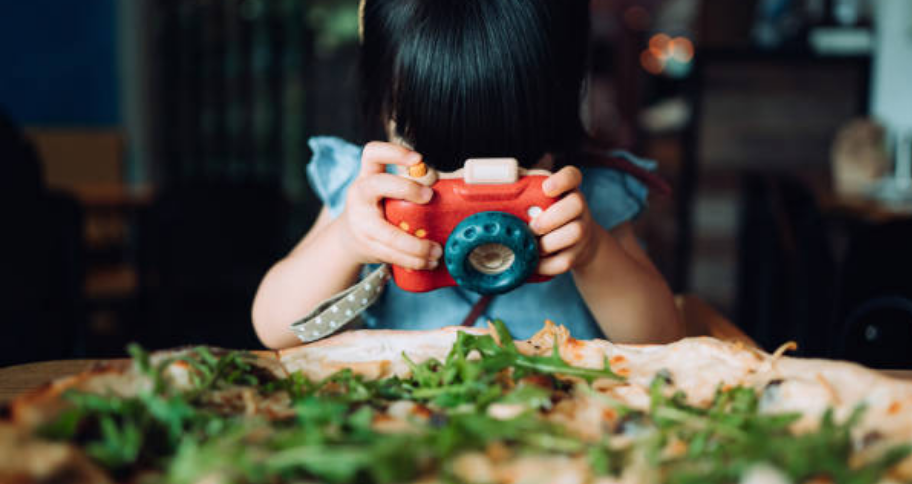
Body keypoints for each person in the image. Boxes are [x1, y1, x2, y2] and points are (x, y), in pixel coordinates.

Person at [252, 0, 684, 349]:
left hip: (560, 426)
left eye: (516, 166)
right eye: (432, 161)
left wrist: (594, 254)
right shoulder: (371, 193)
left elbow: (664, 341)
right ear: (382, 105)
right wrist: (347, 241)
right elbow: (275, 329)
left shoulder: (587, 199)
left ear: (563, 112)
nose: (468, 189)